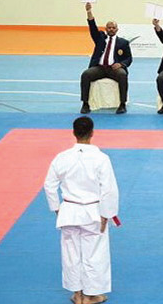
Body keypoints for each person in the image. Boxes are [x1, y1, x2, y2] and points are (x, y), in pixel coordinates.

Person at [44, 116, 120, 304]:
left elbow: (49, 185)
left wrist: (56, 208)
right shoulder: (101, 158)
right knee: (94, 253)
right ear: (92, 133)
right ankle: (91, 295)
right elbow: (109, 189)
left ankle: (77, 294)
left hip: (69, 211)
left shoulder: (62, 157)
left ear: (73, 133)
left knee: (71, 254)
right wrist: (107, 214)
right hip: (93, 212)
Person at [80, 2, 132, 114]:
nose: (111, 29)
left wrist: (121, 65)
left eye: (113, 28)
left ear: (117, 29)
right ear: (106, 29)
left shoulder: (123, 42)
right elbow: (92, 27)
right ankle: (85, 103)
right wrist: (89, 12)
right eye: (109, 28)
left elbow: (128, 58)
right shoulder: (100, 38)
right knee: (86, 75)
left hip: (114, 69)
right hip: (99, 68)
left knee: (123, 75)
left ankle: (122, 104)